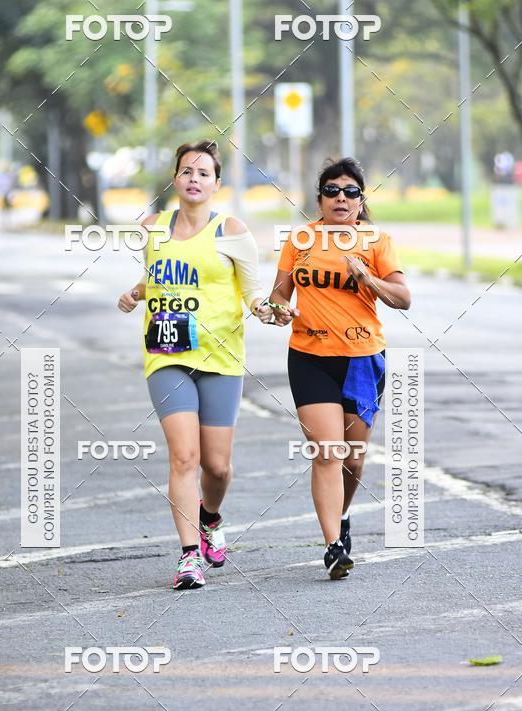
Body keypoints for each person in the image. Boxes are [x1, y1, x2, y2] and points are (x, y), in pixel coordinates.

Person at [118, 140, 269, 589]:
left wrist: (264, 310)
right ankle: (189, 557)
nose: (194, 179)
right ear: (175, 179)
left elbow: (252, 292)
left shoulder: (233, 231)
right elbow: (159, 277)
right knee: (185, 455)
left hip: (221, 357)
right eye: (187, 171)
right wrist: (136, 292)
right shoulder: (152, 228)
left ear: (216, 184)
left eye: (204, 173)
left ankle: (210, 517)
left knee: (217, 467)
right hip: (167, 356)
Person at [269, 157, 411, 579]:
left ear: (361, 200)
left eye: (350, 191)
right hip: (309, 357)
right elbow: (280, 295)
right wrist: (274, 310)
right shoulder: (300, 239)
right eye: (332, 191)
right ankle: (333, 546)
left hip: (362, 359)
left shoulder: (376, 241)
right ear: (319, 199)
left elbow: (403, 298)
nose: (341, 198)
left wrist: (367, 278)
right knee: (327, 453)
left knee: (354, 461)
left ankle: (343, 513)